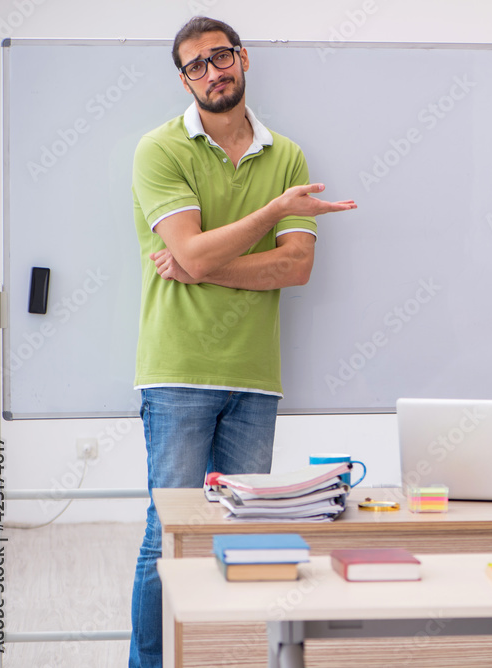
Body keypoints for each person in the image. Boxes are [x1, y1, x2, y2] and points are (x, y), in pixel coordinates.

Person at [128, 17, 356, 667]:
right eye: (195, 66)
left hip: (255, 375)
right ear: (183, 79)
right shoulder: (160, 149)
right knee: (168, 533)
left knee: (245, 536)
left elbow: (295, 268)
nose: (212, 72)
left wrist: (202, 262)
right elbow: (202, 251)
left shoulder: (286, 154)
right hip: (177, 370)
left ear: (243, 58)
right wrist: (270, 214)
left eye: (220, 57)